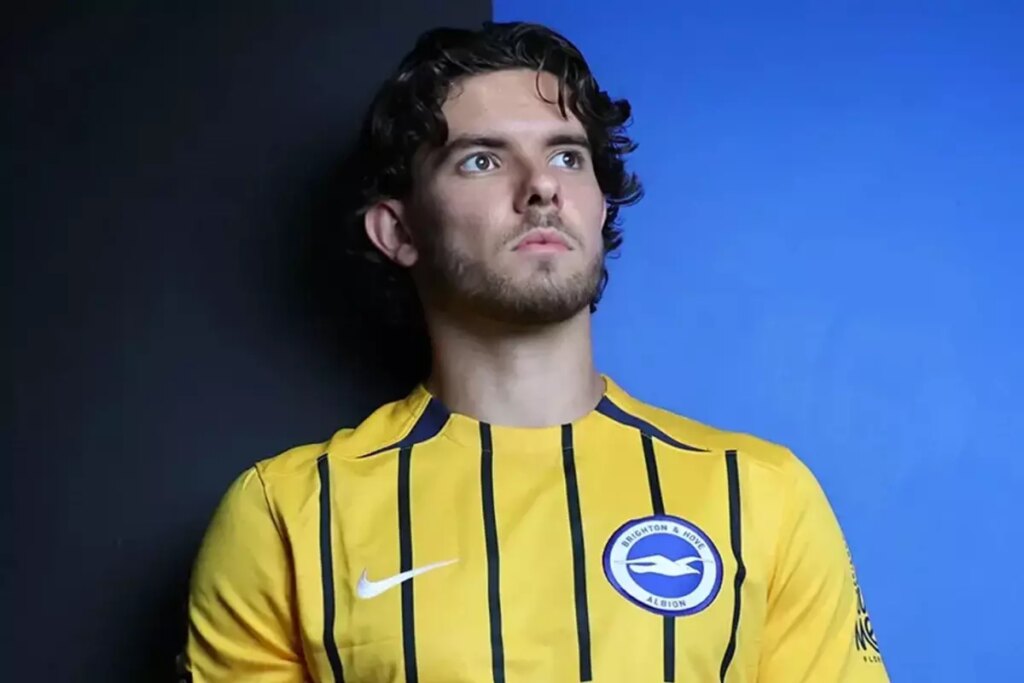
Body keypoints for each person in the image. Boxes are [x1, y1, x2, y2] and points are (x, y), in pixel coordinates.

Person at [180, 21, 889, 683]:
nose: (542, 185)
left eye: (566, 156)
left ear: (600, 206)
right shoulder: (287, 513)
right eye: (482, 160)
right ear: (399, 231)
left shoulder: (760, 493)